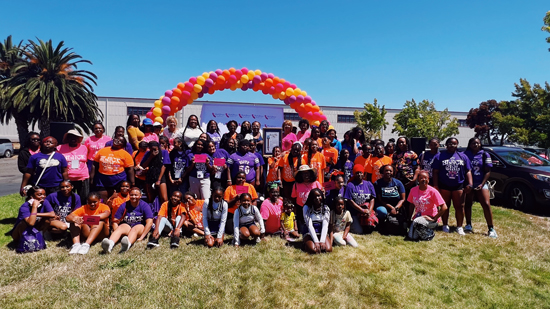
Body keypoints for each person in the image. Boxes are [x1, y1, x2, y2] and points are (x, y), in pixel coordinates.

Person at [432, 137, 473, 235]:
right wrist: (436, 185)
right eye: (450, 143)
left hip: (458, 185)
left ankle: (459, 227)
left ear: (457, 145)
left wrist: (470, 183)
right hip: (444, 185)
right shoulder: (439, 156)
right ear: (446, 145)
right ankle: (445, 225)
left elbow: (468, 171)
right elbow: (435, 172)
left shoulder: (463, 156)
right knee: (445, 206)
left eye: (454, 143)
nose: (452, 145)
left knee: (459, 206)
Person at [463, 138, 497, 238]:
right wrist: (468, 184)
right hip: (469, 183)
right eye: (473, 143)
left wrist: (482, 184)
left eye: (478, 143)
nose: (476, 145)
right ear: (469, 144)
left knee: (486, 204)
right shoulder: (465, 154)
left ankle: (491, 228)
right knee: (468, 204)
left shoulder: (484, 154)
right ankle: (468, 225)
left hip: (481, 183)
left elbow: (488, 171)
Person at [102, 187, 153, 253]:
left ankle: (127, 245)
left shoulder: (144, 206)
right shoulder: (124, 205)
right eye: (131, 195)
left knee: (135, 229)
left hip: (139, 227)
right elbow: (115, 221)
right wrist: (117, 231)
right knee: (121, 226)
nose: (133, 197)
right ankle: (110, 244)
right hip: (127, 227)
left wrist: (142, 237)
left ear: (140, 196)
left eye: (136, 195)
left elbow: (149, 222)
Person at [90, 136, 135, 203]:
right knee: (102, 200)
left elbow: (130, 169)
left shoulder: (125, 154)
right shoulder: (102, 151)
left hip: (118, 179)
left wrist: (132, 183)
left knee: (117, 201)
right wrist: (92, 177)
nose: (117, 141)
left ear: (123, 145)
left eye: (121, 141)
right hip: (102, 179)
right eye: (117, 138)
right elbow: (95, 165)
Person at [407, 171, 448, 241]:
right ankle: (423, 230)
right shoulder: (413, 190)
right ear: (418, 180)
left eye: (425, 178)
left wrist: (435, 218)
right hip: (418, 217)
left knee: (417, 222)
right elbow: (411, 205)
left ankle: (429, 234)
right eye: (421, 178)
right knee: (412, 237)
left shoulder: (433, 191)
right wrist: (408, 218)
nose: (423, 180)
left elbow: (444, 207)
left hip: (430, 219)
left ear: (428, 180)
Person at [344, 164, 376, 234]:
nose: (359, 174)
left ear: (363, 174)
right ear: (354, 174)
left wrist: (369, 211)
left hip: (366, 210)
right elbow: (350, 200)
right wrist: (362, 210)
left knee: (369, 228)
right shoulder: (350, 185)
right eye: (357, 173)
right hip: (355, 212)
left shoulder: (369, 184)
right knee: (359, 231)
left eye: (360, 172)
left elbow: (372, 198)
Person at [57, 129, 89, 198]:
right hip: (67, 178)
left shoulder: (84, 148)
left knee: (84, 198)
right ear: (67, 138)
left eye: (75, 137)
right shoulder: (60, 148)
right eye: (71, 136)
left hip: (82, 177)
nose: (73, 138)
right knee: (68, 197)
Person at [303, 188, 332, 254]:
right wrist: (316, 241)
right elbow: (309, 225)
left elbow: (325, 226)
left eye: (319, 195)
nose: (317, 198)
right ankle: (306, 243)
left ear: (322, 196)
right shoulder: (306, 208)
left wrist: (322, 241)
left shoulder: (326, 208)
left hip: (321, 231)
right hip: (309, 232)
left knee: (328, 249)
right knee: (313, 250)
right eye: (314, 197)